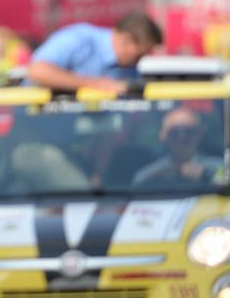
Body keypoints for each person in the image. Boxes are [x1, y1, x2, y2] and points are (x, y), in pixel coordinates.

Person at [26, 12, 163, 93]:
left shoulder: (129, 68)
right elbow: (38, 72)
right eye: (139, 55)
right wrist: (95, 84)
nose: (139, 61)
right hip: (35, 129)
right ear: (126, 40)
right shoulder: (79, 39)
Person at [132, 107, 225, 188]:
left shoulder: (219, 168)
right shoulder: (149, 175)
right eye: (174, 131)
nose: (182, 137)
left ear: (199, 134)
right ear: (163, 135)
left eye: (189, 131)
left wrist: (205, 176)